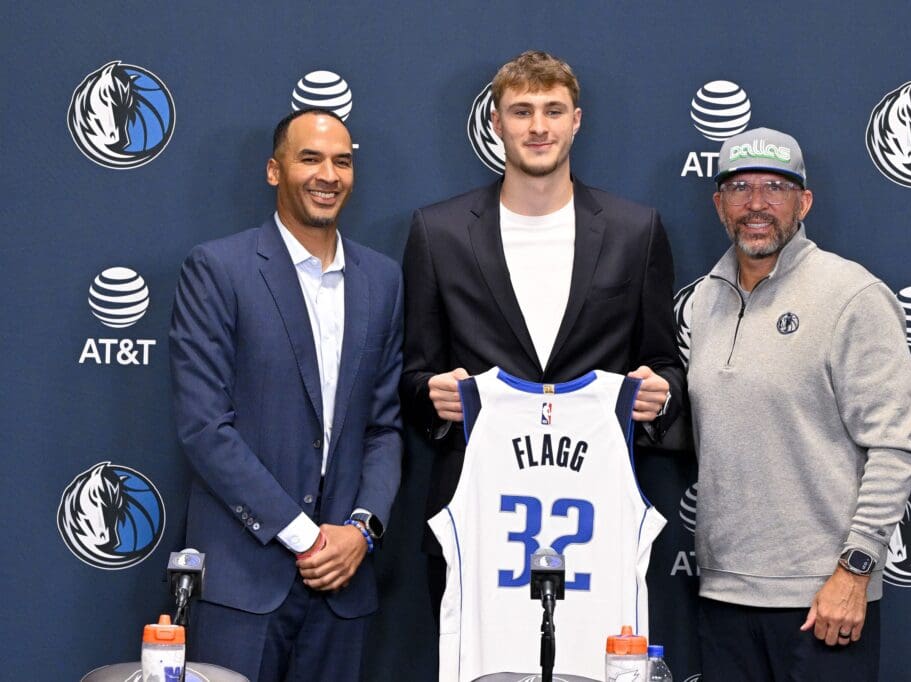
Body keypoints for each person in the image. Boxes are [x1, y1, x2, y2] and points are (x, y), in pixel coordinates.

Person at [401, 50, 684, 614]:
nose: (537, 127)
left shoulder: (636, 230)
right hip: (477, 511)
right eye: (521, 111)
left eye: (553, 110)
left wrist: (662, 394)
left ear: (576, 121)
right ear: (495, 122)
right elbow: (413, 375)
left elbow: (665, 364)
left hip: (598, 507)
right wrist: (430, 396)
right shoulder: (439, 232)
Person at [677, 127, 911, 680]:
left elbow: (896, 448)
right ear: (719, 203)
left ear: (804, 202)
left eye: (776, 187)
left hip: (824, 600)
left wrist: (855, 570)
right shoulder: (703, 300)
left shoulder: (852, 295)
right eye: (740, 188)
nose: (757, 205)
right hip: (723, 594)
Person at [169, 108, 403, 682]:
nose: (329, 174)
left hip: (344, 589)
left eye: (342, 161)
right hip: (243, 584)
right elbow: (205, 427)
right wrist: (304, 535)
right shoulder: (218, 269)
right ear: (275, 171)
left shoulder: (383, 280)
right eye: (311, 158)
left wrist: (360, 532)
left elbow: (384, 426)